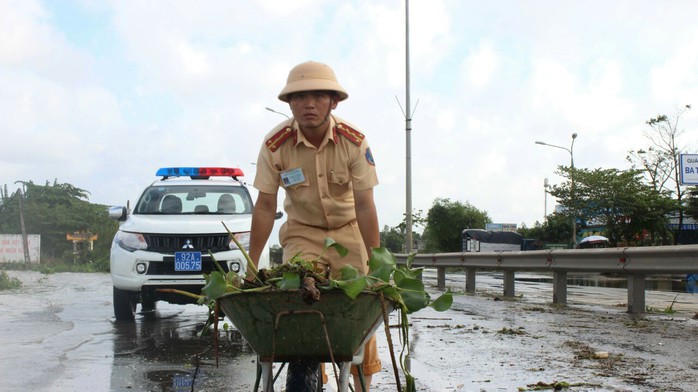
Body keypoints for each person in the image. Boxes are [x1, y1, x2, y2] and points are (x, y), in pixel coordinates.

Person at [248, 60, 380, 391]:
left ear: (334, 101)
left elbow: (365, 205)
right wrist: (252, 264)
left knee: (360, 305)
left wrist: (375, 259)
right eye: (300, 96)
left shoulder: (354, 142)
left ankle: (363, 380)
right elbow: (266, 206)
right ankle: (311, 373)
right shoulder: (274, 145)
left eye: (319, 96)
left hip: (348, 229)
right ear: (289, 103)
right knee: (298, 300)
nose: (309, 104)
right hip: (302, 232)